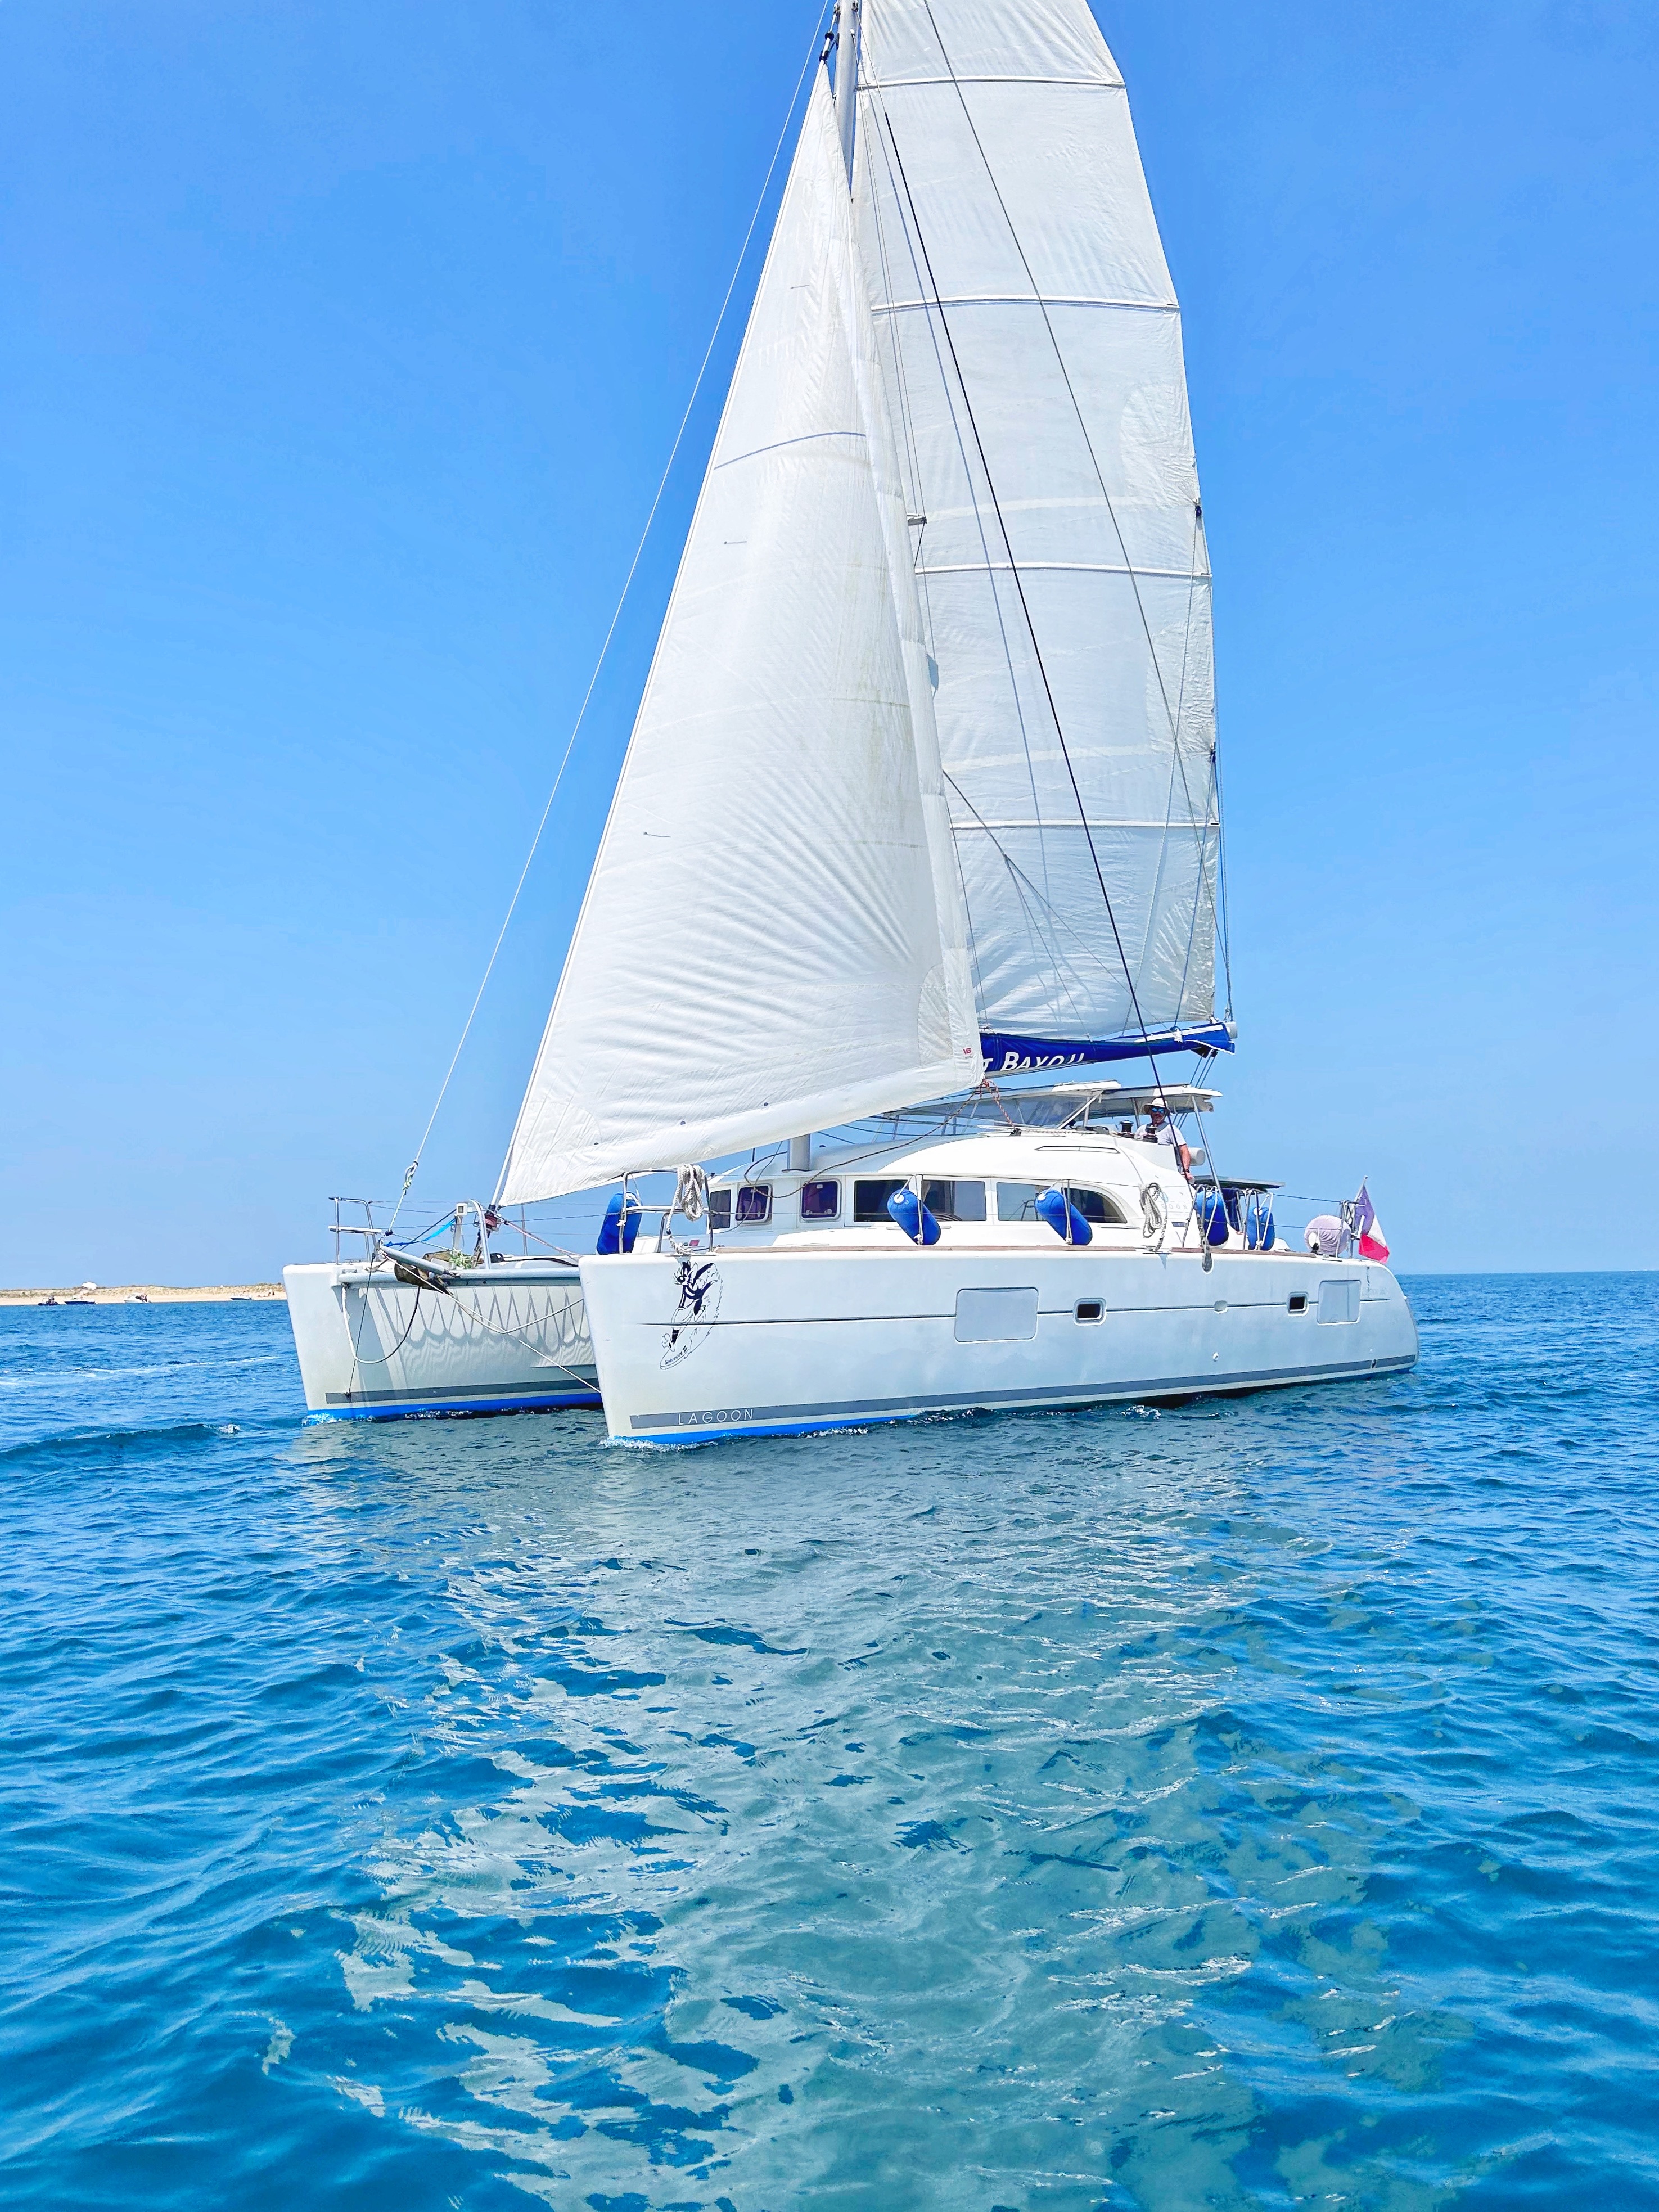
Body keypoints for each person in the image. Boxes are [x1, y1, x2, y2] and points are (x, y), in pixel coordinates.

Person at [1146, 1103, 1193, 1177]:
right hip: (1146, 1171)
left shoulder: (1171, 1129)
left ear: (1165, 1113)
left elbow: (1184, 1150)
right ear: (1150, 1112)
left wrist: (1186, 1171)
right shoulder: (1142, 1129)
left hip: (1166, 1172)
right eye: (1154, 1110)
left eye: (1161, 1111)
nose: (1157, 1113)